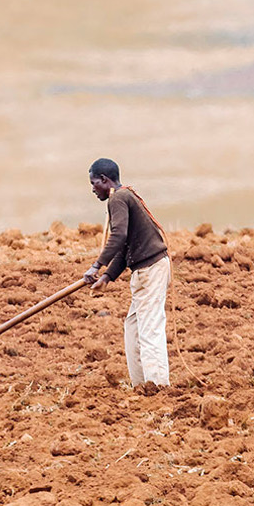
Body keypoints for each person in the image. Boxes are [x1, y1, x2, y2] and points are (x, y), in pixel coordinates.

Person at [82, 158, 172, 388]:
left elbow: (118, 237)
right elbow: (124, 247)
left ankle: (158, 387)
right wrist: (107, 276)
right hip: (144, 270)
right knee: (133, 327)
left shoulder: (119, 198)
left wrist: (97, 265)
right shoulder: (123, 197)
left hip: (151, 269)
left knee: (149, 328)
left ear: (104, 180)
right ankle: (141, 386)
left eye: (94, 183)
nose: (93, 189)